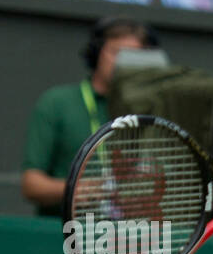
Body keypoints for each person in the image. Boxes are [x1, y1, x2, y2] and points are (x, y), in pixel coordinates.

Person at [21, 17, 155, 216]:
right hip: (65, 234)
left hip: (127, 237)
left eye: (134, 56)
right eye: (117, 53)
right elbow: (31, 184)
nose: (124, 63)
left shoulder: (151, 110)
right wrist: (76, 188)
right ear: (95, 54)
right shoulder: (57, 102)